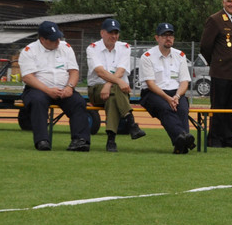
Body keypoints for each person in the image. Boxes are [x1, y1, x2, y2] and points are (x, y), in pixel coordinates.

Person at [18, 20, 90, 152]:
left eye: (58, 37)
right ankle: (42, 141)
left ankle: (80, 140)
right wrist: (47, 90)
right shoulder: (29, 51)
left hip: (64, 88)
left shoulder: (66, 47)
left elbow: (74, 71)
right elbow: (28, 77)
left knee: (78, 102)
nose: (57, 41)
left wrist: (69, 87)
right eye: (53, 39)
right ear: (42, 39)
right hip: (38, 89)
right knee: (37, 101)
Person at [86, 17, 146, 152]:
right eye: (110, 33)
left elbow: (121, 70)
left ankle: (111, 141)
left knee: (113, 98)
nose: (114, 36)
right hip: (96, 90)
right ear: (102, 33)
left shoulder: (124, 47)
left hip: (115, 91)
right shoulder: (92, 48)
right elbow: (100, 72)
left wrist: (109, 84)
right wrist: (117, 82)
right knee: (117, 88)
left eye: (116, 33)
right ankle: (131, 123)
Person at [138, 22, 195, 154]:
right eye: (164, 36)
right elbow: (150, 84)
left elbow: (184, 81)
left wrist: (177, 96)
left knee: (182, 108)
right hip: (153, 93)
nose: (168, 38)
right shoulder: (147, 57)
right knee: (165, 108)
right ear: (157, 38)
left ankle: (180, 144)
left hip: (175, 93)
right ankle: (184, 137)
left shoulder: (180, 55)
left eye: (170, 36)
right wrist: (168, 98)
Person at [199, 0, 232, 148]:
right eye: (229, 1)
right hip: (221, 71)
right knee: (218, 106)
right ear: (223, 2)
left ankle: (228, 137)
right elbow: (205, 46)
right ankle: (214, 138)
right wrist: (215, 62)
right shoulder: (215, 20)